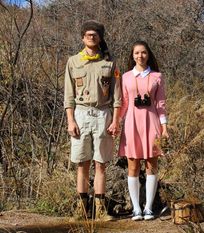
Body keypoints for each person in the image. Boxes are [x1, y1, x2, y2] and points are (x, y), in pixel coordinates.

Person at [64, 20, 122, 221]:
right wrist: (70, 121)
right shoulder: (73, 62)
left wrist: (115, 121)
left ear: (100, 38)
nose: (91, 37)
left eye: (95, 34)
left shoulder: (110, 63)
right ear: (82, 38)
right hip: (80, 114)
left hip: (103, 114)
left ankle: (100, 210)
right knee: (82, 163)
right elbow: (68, 96)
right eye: (88, 34)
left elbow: (117, 96)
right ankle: (81, 209)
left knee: (101, 164)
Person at [118, 41, 169, 221]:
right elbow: (124, 103)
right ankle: (136, 208)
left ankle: (148, 208)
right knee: (133, 166)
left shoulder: (157, 76)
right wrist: (116, 123)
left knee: (151, 165)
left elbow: (161, 105)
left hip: (152, 122)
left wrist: (164, 127)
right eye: (137, 53)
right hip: (131, 123)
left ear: (148, 54)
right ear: (132, 55)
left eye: (144, 52)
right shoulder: (125, 77)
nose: (140, 56)